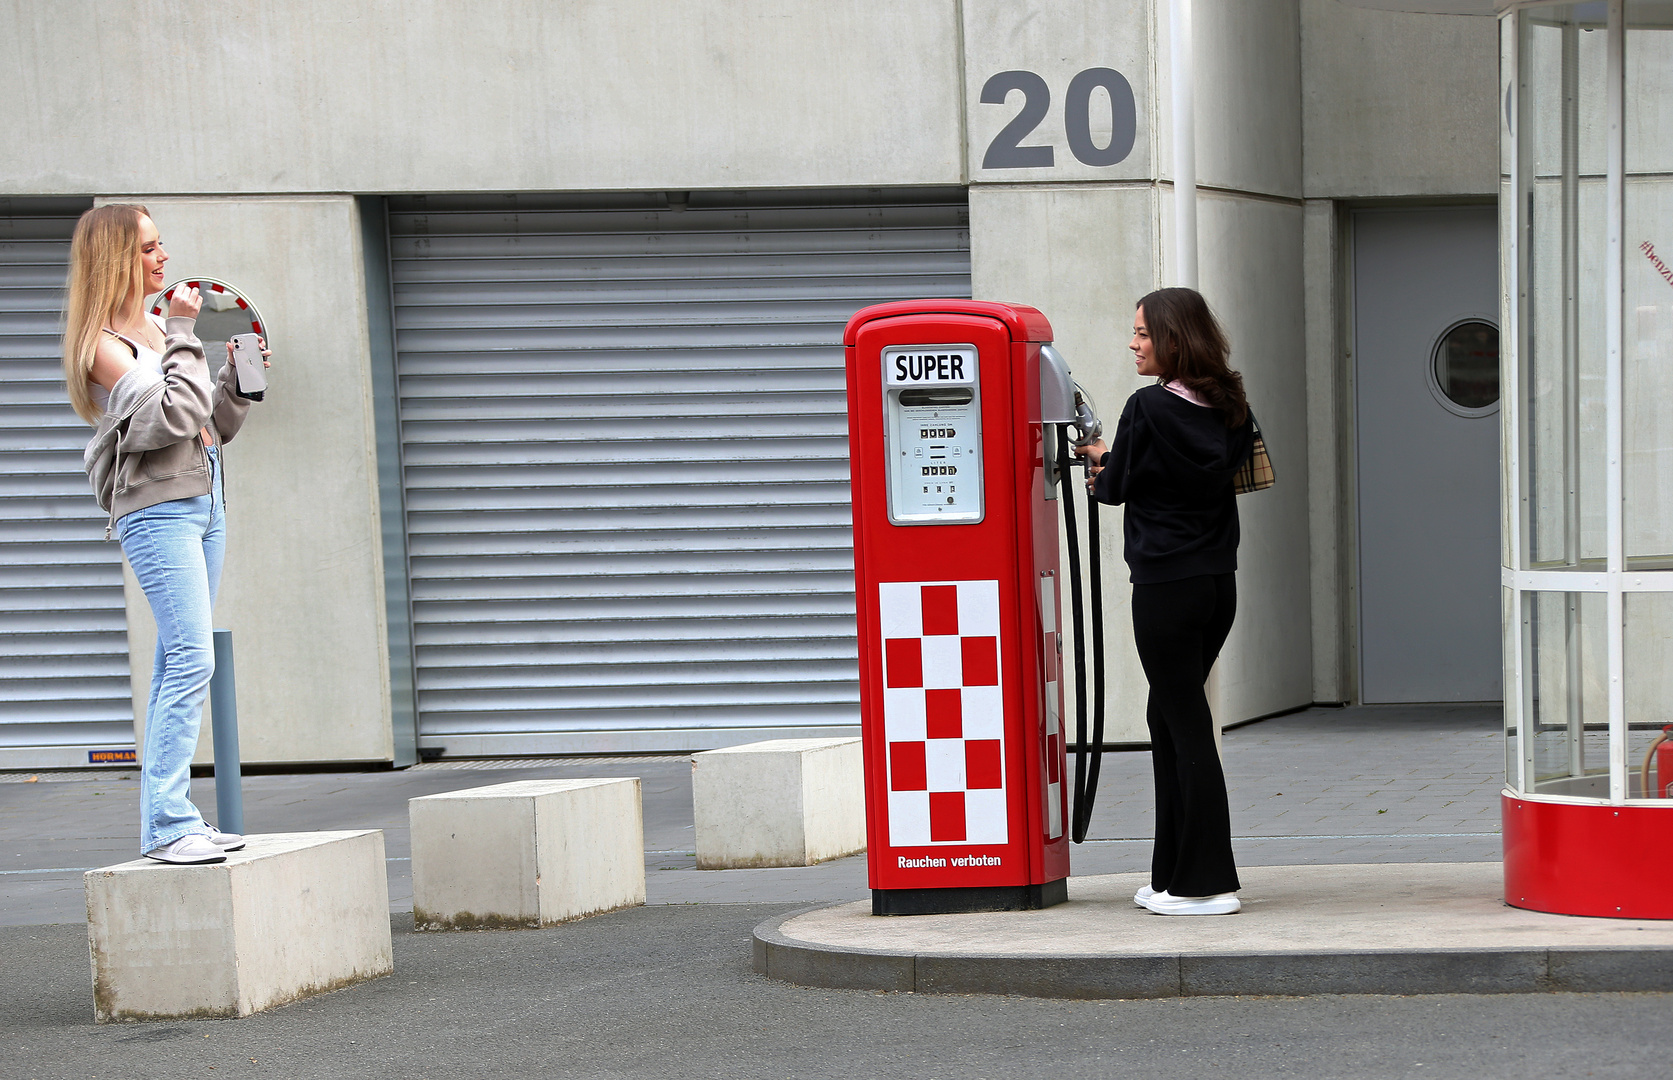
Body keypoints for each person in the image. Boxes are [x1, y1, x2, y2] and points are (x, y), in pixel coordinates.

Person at [64, 205, 269, 864]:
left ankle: (167, 819)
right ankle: (169, 826)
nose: (164, 258)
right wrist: (184, 329)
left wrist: (235, 380)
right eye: (151, 248)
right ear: (119, 258)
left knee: (177, 662)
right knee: (191, 659)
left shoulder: (154, 328)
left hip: (204, 499)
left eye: (161, 244)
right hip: (155, 510)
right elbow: (170, 418)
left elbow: (207, 424)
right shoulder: (102, 346)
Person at [1076, 287, 1254, 916]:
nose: (1134, 343)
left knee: (1185, 726)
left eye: (1144, 334)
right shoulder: (1229, 404)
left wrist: (1099, 459)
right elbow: (1200, 476)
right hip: (1216, 584)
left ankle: (1208, 883)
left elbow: (1116, 487)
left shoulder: (1147, 407)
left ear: (1174, 340)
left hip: (1164, 588)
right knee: (1167, 719)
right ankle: (1172, 874)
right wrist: (1118, 461)